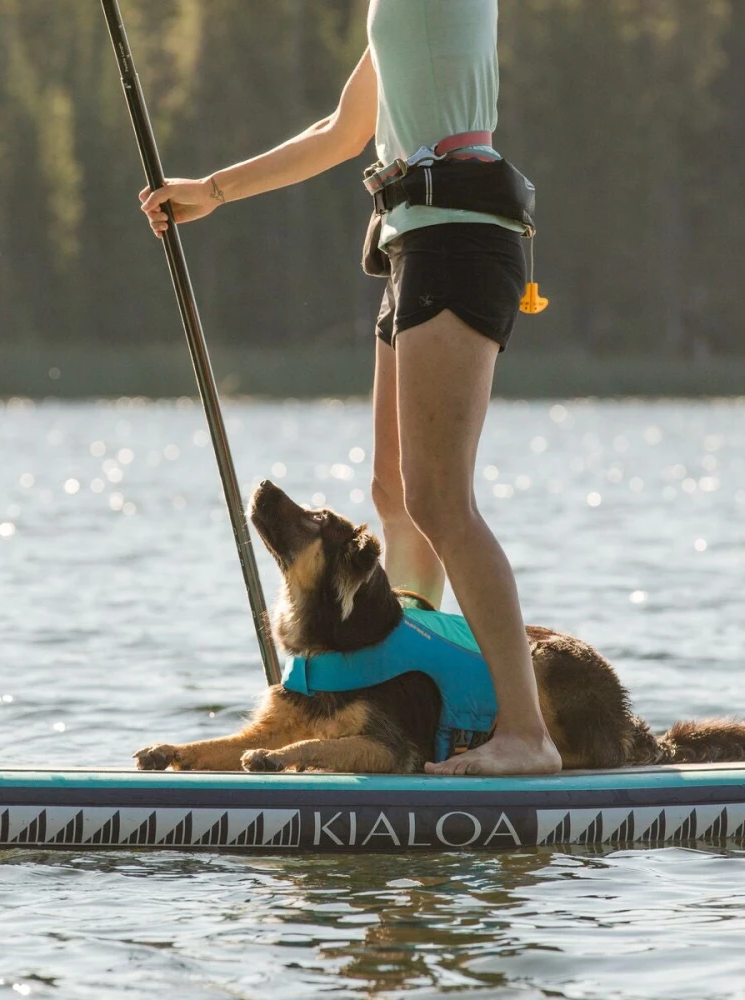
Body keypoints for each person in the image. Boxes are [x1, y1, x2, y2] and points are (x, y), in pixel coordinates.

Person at [139, 0, 560, 776]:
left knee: (440, 501)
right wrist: (213, 190)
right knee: (394, 494)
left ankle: (526, 735)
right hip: (412, 243)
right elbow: (342, 130)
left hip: (459, 236)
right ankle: (405, 704)